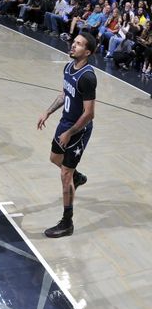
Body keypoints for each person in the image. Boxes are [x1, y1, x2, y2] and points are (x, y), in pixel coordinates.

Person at [36, 32, 97, 238]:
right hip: (65, 124)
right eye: (74, 42)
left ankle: (66, 223)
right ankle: (77, 177)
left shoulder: (87, 77)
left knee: (65, 175)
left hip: (78, 130)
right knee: (54, 158)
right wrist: (48, 111)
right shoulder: (69, 67)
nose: (73, 45)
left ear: (87, 52)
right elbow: (64, 94)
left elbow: (89, 114)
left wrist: (69, 133)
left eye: (79, 44)